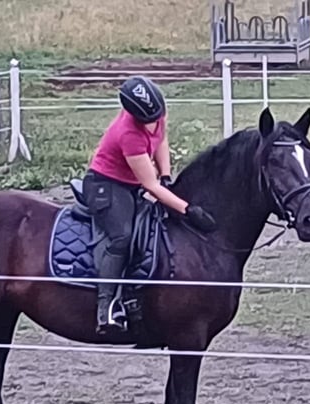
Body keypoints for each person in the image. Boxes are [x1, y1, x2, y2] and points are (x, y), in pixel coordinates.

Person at [83, 75, 216, 334]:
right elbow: (150, 186)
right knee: (122, 236)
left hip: (132, 181)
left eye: (158, 116)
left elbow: (160, 140)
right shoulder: (128, 134)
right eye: (148, 120)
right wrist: (188, 210)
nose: (155, 122)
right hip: (107, 184)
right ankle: (106, 307)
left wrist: (166, 175)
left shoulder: (156, 113)